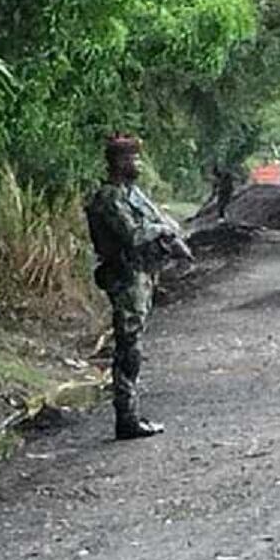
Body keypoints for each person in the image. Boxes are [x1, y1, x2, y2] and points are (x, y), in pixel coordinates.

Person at [85, 135, 191, 440]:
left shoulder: (132, 194)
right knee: (128, 349)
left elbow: (158, 220)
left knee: (134, 345)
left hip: (142, 276)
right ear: (119, 162)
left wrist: (172, 240)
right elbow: (133, 234)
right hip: (126, 277)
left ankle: (131, 415)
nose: (138, 164)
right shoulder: (109, 197)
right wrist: (163, 231)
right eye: (133, 158)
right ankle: (127, 418)